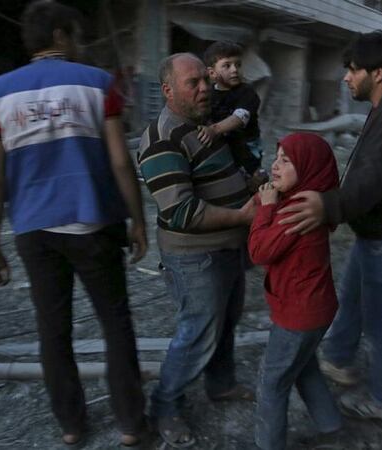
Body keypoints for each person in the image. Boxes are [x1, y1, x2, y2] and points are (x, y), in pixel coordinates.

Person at [0, 1, 148, 446]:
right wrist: (138, 221)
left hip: (35, 230)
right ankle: (131, 423)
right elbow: (119, 162)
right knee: (115, 322)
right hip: (95, 222)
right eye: (75, 33)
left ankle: (71, 426)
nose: (81, 42)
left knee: (53, 330)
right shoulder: (97, 83)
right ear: (59, 36)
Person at [277, 30, 382, 420]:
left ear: (377, 73)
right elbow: (366, 174)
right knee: (350, 303)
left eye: (352, 70)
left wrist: (328, 207)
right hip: (378, 236)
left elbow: (374, 179)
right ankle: (339, 361)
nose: (346, 77)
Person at [136, 52, 256, 448]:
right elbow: (183, 212)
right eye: (194, 83)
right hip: (195, 257)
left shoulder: (202, 124)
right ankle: (165, 406)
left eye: (206, 78)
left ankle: (220, 384)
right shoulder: (161, 139)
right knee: (196, 333)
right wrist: (243, 216)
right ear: (168, 91)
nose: (205, 87)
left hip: (227, 247)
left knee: (226, 320)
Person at [249, 133, 343, 450]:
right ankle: (331, 425)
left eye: (286, 160)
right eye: (276, 157)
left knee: (272, 381)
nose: (275, 166)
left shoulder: (295, 211)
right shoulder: (305, 201)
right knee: (304, 367)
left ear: (309, 168)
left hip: (298, 316)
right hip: (316, 310)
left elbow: (260, 251)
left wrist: (265, 209)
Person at [200, 41, 268, 191]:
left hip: (246, 147)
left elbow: (240, 117)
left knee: (254, 181)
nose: (234, 70)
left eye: (238, 65)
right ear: (212, 73)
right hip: (224, 144)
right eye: (227, 65)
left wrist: (214, 130)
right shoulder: (209, 93)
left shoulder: (246, 92)